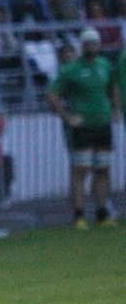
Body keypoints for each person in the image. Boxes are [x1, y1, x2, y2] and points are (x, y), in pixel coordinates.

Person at [46, 29, 118, 229]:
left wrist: (116, 109)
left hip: (102, 123)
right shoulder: (71, 69)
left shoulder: (105, 65)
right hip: (83, 126)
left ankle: (102, 212)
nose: (91, 46)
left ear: (99, 45)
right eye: (87, 43)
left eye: (94, 43)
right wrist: (67, 116)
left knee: (103, 169)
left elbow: (113, 87)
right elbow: (52, 94)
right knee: (81, 170)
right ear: (82, 46)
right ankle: (79, 214)